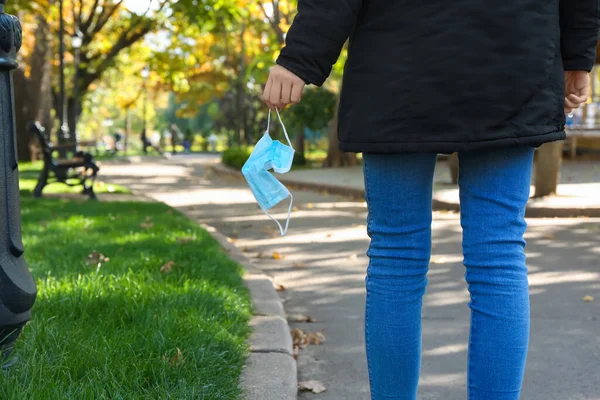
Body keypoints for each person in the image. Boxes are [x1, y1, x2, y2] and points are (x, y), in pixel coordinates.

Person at [262, 1, 599, 399]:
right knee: (498, 253)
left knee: (397, 255)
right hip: (513, 57)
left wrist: (301, 58)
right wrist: (577, 57)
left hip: (399, 62)